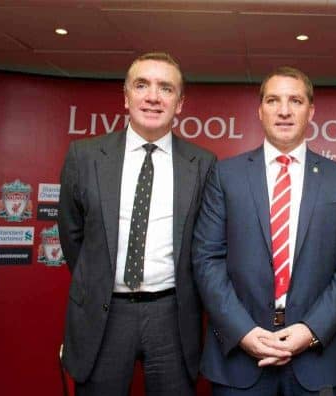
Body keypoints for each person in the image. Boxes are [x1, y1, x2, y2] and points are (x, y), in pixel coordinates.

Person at [192, 66, 336, 395]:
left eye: (295, 101)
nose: (284, 110)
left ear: (311, 111)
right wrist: (243, 331)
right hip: (239, 358)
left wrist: (311, 330)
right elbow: (206, 259)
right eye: (273, 100)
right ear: (260, 111)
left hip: (315, 358)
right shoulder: (225, 176)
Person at [57, 52, 216, 395]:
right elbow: (74, 237)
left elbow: (205, 246)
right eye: (142, 85)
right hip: (105, 314)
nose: (153, 97)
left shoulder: (202, 163)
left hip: (172, 316)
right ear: (126, 96)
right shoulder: (84, 157)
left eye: (166, 88)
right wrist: (101, 279)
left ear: (180, 102)